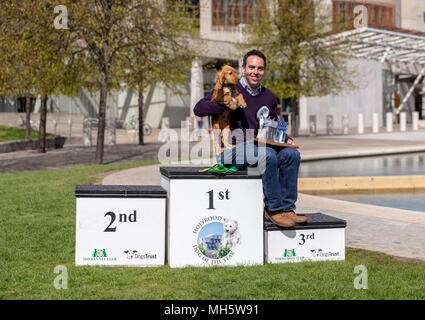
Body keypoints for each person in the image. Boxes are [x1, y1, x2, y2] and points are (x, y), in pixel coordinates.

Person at [194, 49, 306, 228]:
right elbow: (198, 109)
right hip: (230, 150)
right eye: (251, 67)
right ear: (244, 69)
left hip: (258, 145)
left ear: (264, 71)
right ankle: (273, 210)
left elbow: (273, 124)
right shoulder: (230, 89)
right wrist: (226, 103)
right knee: (268, 154)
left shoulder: (269, 97)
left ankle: (287, 208)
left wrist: (287, 138)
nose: (255, 71)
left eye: (260, 68)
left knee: (291, 155)